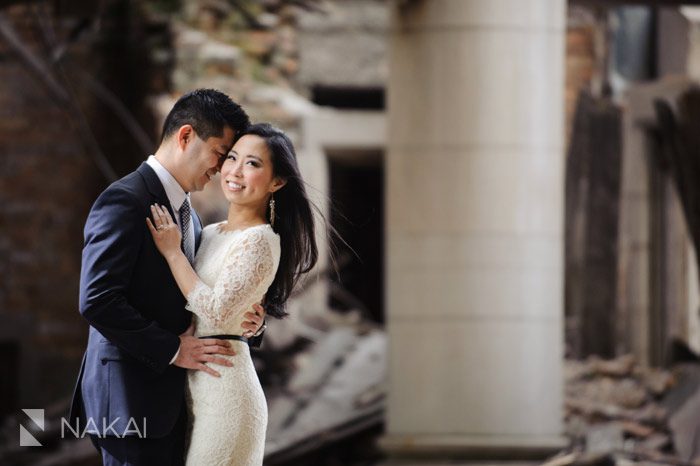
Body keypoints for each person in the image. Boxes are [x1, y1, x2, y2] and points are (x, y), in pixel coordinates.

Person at [69, 89, 268, 466]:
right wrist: (173, 349)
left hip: (172, 400)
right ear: (186, 136)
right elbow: (97, 300)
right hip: (131, 399)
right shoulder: (124, 200)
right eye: (221, 153)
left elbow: (196, 295)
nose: (223, 168)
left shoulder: (188, 215)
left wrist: (249, 321)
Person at [146, 123, 318, 465]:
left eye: (253, 164)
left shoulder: (260, 240)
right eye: (232, 158)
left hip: (228, 396)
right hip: (196, 389)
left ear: (277, 182)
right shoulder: (208, 232)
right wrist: (252, 324)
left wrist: (173, 253)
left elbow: (216, 312)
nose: (235, 171)